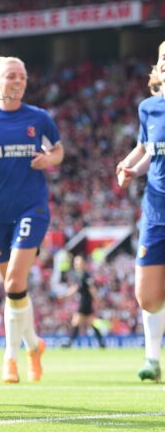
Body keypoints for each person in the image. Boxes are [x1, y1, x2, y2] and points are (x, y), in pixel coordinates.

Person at [0, 56, 64, 384]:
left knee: (14, 282)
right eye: (11, 76)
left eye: (22, 76)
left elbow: (58, 150)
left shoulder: (39, 118)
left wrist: (49, 159)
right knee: (14, 289)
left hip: (33, 208)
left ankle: (10, 359)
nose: (18, 81)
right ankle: (34, 345)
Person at [117, 46, 165, 383]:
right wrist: (131, 167)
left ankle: (151, 358)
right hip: (155, 208)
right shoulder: (149, 108)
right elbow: (150, 150)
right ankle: (153, 359)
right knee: (147, 296)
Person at [63, 254, 106, 348]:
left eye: (78, 262)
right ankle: (102, 343)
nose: (76, 264)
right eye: (75, 262)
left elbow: (91, 289)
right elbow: (75, 288)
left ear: (83, 263)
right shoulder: (78, 275)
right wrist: (66, 294)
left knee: (76, 322)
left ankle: (69, 343)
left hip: (85, 301)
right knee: (90, 322)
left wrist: (97, 299)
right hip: (84, 301)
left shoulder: (86, 275)